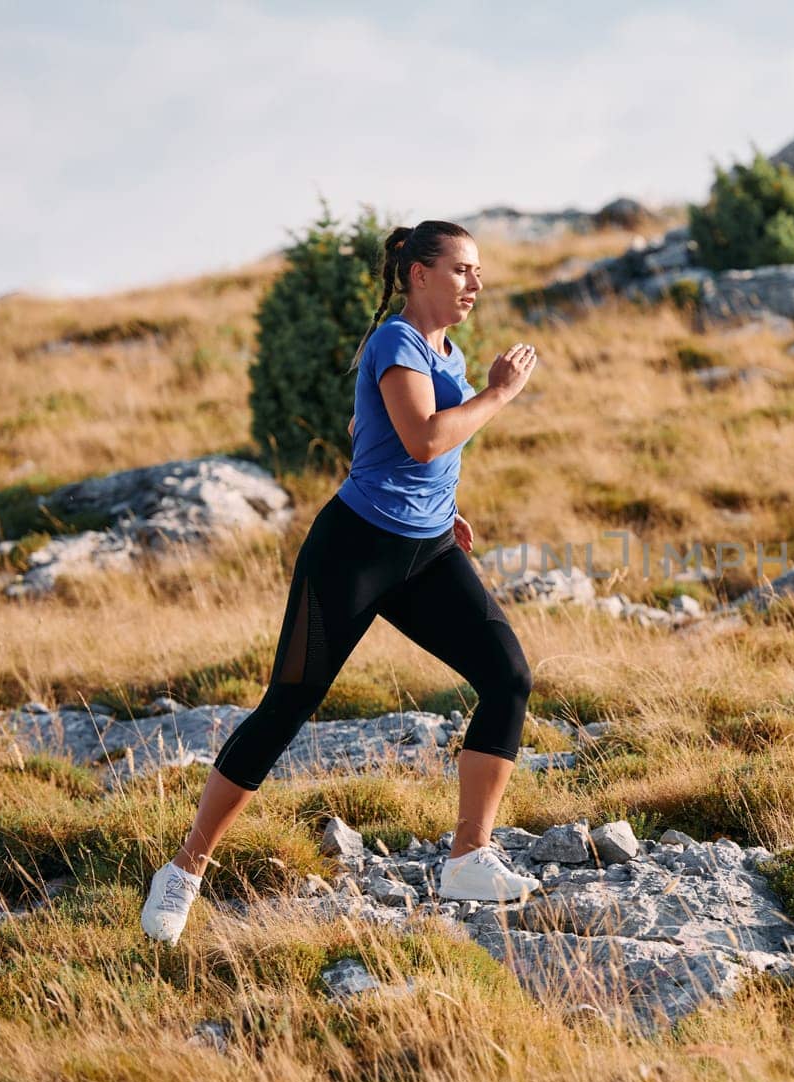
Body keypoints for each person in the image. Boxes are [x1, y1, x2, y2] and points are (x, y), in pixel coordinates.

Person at [141, 220, 542, 945]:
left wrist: (444, 510)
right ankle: (184, 869)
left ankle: (469, 855)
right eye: (460, 269)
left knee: (508, 675)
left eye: (478, 270)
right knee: (289, 703)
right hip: (353, 553)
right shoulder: (397, 341)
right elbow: (423, 436)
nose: (475, 282)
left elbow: (387, 444)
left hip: (426, 552)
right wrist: (500, 396)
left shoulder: (448, 352)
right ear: (419, 274)